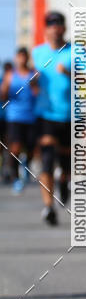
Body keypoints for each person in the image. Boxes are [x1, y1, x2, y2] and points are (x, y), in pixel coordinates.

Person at [32, 12, 72, 226]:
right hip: (45, 115)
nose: (55, 28)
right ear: (45, 29)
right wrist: (32, 81)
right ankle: (48, 207)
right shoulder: (37, 53)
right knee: (47, 159)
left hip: (69, 116)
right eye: (50, 24)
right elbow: (30, 82)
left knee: (66, 164)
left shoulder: (76, 52)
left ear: (63, 28)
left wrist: (69, 73)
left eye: (58, 24)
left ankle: (64, 182)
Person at [0, 47, 37, 192]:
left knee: (31, 148)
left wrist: (35, 88)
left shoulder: (33, 74)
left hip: (31, 116)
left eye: (24, 56)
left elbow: (38, 93)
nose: (22, 59)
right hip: (14, 116)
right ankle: (16, 178)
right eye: (19, 56)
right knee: (14, 148)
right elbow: (3, 95)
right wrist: (4, 91)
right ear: (16, 58)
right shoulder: (10, 75)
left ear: (27, 58)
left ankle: (26, 166)